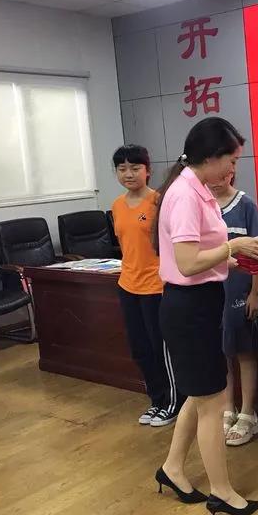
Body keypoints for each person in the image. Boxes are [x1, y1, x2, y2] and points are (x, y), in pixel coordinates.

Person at [152, 117, 258, 515]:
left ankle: (172, 468)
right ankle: (222, 492)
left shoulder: (196, 189)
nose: (233, 169)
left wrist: (235, 259)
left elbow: (201, 257)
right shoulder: (185, 195)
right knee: (213, 402)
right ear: (211, 156)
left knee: (200, 394)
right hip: (188, 307)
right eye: (231, 160)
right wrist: (233, 247)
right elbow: (187, 264)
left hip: (200, 301)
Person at [111, 144, 181, 427]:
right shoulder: (117, 205)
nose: (128, 174)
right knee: (140, 349)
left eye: (135, 168)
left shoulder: (159, 202)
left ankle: (174, 402)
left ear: (148, 170)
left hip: (156, 286)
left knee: (161, 349)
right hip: (128, 285)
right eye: (122, 169)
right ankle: (157, 400)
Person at [207, 173, 258, 446]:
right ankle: (228, 408)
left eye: (222, 174)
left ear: (231, 171)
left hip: (240, 290)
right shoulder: (204, 205)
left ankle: (248, 414)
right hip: (212, 291)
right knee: (222, 352)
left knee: (244, 352)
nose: (215, 180)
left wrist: (255, 292)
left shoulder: (246, 205)